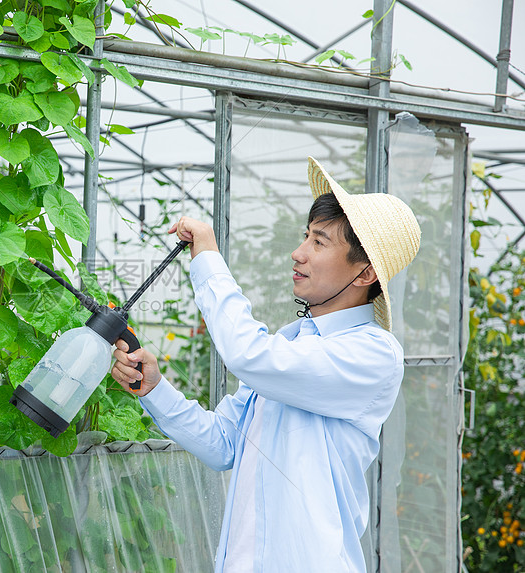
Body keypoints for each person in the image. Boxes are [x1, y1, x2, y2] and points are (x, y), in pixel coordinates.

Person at [111, 157, 421, 572]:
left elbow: (247, 355)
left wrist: (207, 257)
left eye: (319, 242)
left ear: (364, 273)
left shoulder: (371, 354)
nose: (298, 254)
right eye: (305, 237)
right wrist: (155, 389)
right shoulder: (291, 343)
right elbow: (223, 444)